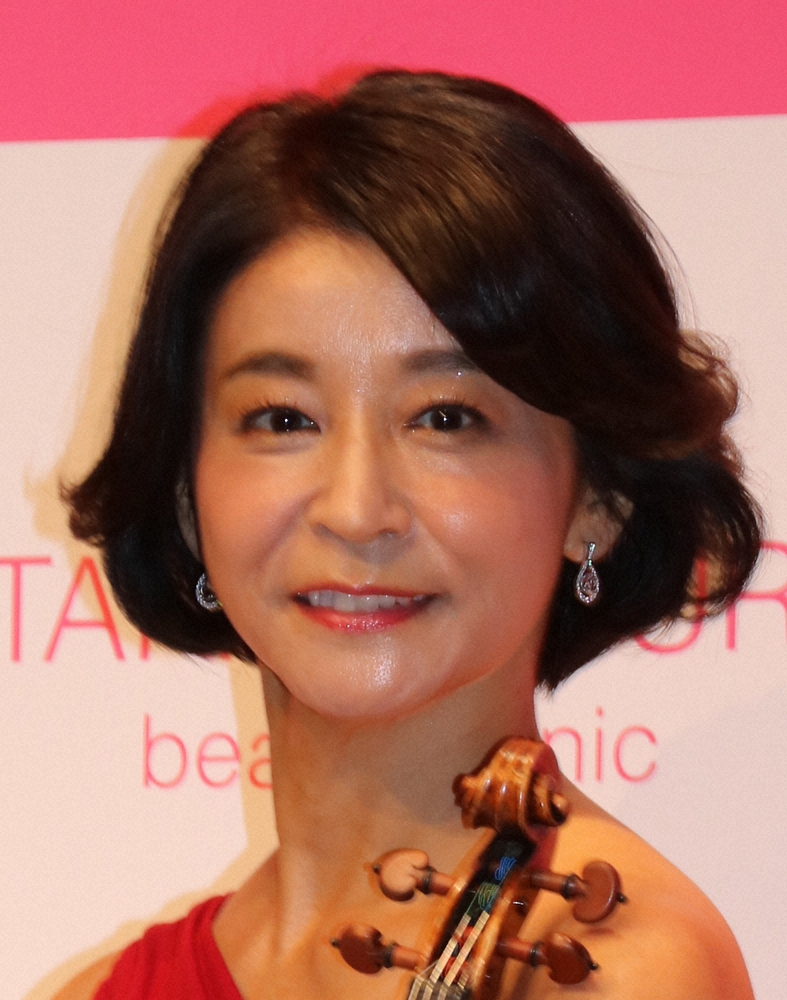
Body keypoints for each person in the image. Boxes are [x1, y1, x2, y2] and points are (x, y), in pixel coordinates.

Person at [55, 70, 760, 999]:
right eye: (282, 419)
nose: (356, 509)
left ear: (600, 498)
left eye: (445, 419)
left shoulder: (616, 970)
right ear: (187, 494)